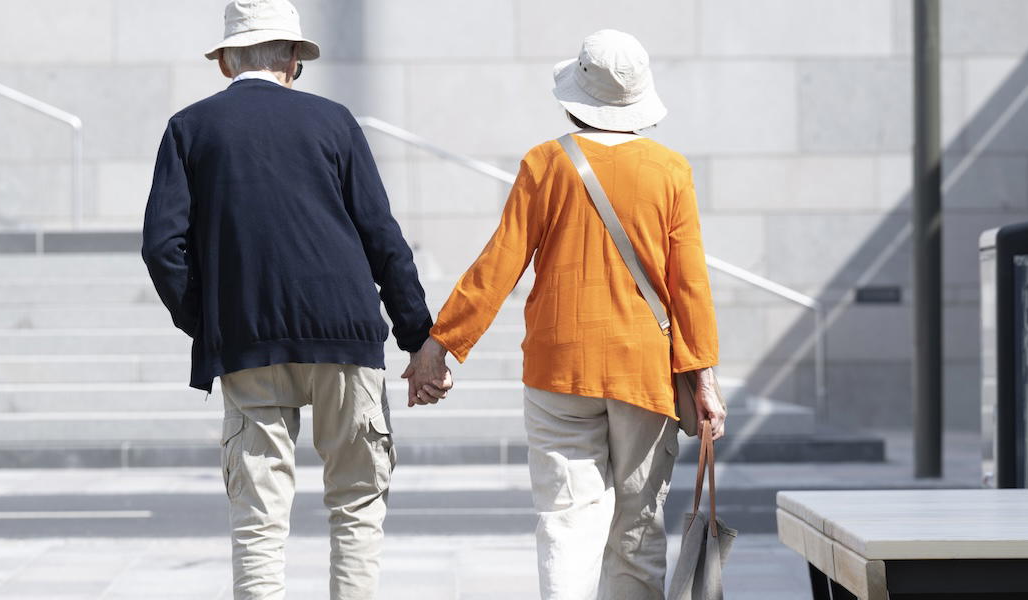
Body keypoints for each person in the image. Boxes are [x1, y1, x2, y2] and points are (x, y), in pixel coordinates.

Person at [141, 1, 447, 598]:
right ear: (292, 59)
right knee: (357, 504)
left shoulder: (189, 128)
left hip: (246, 342)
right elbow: (382, 236)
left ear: (227, 62)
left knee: (258, 520)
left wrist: (208, 323)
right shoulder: (334, 122)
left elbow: (162, 248)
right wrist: (420, 340)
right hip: (346, 334)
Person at [409, 29, 727, 600]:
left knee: (565, 521)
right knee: (637, 529)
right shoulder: (670, 170)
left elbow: (499, 263)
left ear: (576, 95)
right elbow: (691, 286)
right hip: (643, 373)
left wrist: (442, 345)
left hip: (559, 368)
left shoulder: (545, 163)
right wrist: (703, 378)